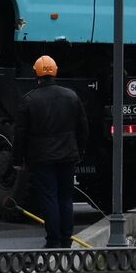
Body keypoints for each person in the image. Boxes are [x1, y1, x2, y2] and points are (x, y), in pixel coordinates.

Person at [13, 55, 89, 249]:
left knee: (49, 198)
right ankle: (66, 239)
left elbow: (20, 134)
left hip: (42, 158)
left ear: (36, 73)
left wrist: (17, 159)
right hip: (68, 155)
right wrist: (79, 151)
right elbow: (83, 128)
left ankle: (53, 240)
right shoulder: (71, 96)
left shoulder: (28, 100)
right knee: (66, 197)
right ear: (55, 71)